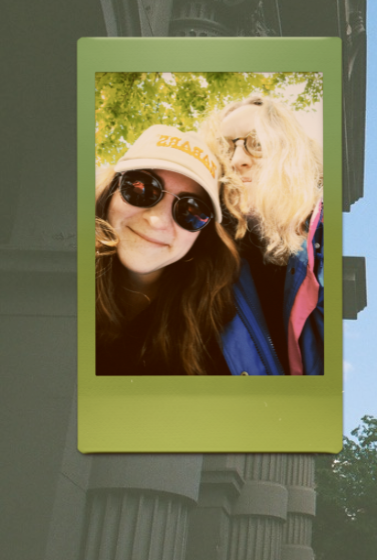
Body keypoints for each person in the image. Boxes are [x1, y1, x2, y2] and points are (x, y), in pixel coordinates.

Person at [95, 125, 240, 375]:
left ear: (201, 235)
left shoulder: (219, 327)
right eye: (141, 188)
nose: (157, 220)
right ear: (112, 191)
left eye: (192, 211)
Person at [203, 95, 324, 376]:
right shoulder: (207, 255)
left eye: (256, 143)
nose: (238, 160)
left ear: (287, 151)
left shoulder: (328, 236)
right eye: (226, 148)